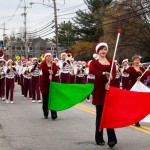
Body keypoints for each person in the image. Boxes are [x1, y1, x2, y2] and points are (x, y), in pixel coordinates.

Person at [89, 42, 117, 148]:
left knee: (109, 115)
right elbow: (91, 70)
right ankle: (99, 138)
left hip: (108, 89)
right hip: (99, 91)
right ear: (98, 51)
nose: (103, 51)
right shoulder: (94, 62)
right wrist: (102, 73)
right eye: (101, 49)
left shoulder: (111, 62)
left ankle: (112, 139)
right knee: (100, 115)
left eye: (105, 49)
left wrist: (109, 81)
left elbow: (113, 74)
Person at [124, 55, 145, 127]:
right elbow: (127, 71)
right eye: (136, 60)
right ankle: (132, 118)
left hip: (140, 88)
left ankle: (137, 119)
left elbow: (145, 76)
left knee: (139, 104)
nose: (137, 61)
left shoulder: (142, 68)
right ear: (133, 61)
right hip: (133, 87)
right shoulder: (130, 68)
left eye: (138, 60)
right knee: (133, 104)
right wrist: (137, 75)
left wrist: (142, 75)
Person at [40, 52, 58, 119]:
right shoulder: (43, 64)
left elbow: (55, 70)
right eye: (47, 56)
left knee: (52, 99)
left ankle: (53, 113)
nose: (48, 57)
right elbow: (44, 70)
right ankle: (46, 113)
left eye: (49, 56)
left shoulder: (54, 64)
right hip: (45, 83)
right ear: (45, 57)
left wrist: (52, 72)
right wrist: (48, 71)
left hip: (52, 83)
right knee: (45, 99)